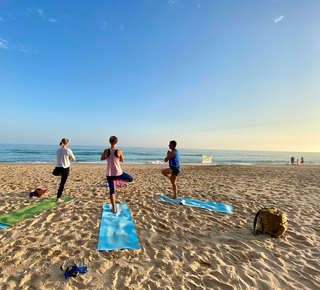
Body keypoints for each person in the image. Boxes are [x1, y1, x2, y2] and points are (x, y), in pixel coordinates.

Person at [100, 136, 133, 213]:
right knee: (130, 179)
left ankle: (114, 208)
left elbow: (102, 158)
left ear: (109, 142)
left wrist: (107, 157)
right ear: (116, 142)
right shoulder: (119, 151)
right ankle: (118, 178)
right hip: (118, 173)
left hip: (109, 173)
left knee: (112, 191)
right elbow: (122, 160)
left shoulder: (106, 151)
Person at [53, 138, 76, 203]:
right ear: (67, 143)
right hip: (65, 168)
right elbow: (73, 159)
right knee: (62, 184)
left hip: (58, 167)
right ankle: (58, 199)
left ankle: (59, 173)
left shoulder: (58, 150)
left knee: (55, 173)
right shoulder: (68, 150)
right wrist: (73, 158)